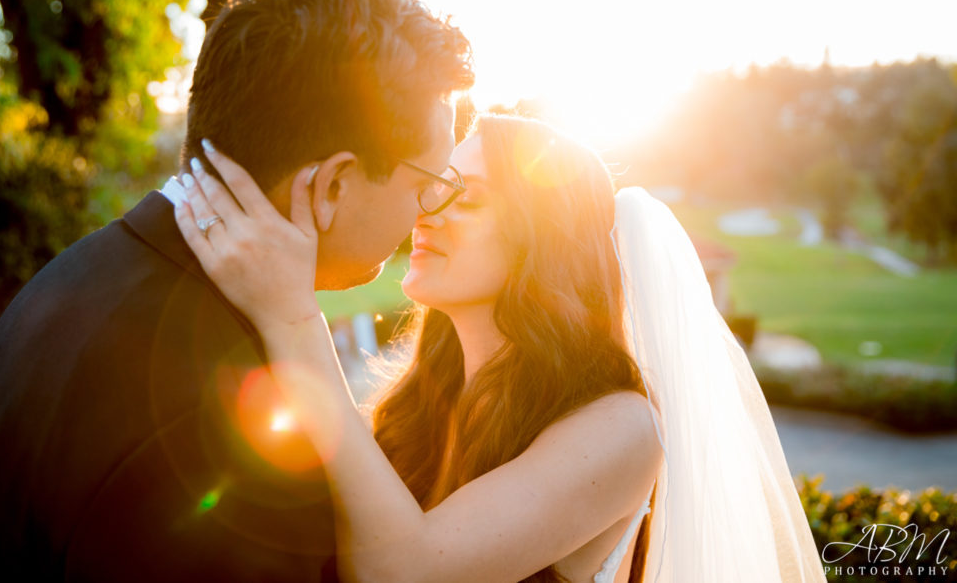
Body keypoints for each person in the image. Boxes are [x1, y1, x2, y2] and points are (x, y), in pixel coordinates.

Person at [0, 0, 473, 582]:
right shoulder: (239, 438)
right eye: (430, 181)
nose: (426, 213)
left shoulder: (67, 278)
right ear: (331, 184)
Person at [172, 114, 828, 582]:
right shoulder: (416, 400)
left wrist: (292, 315)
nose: (426, 211)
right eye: (433, 187)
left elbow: (404, 571)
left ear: (542, 242)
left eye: (467, 197)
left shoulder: (624, 428)